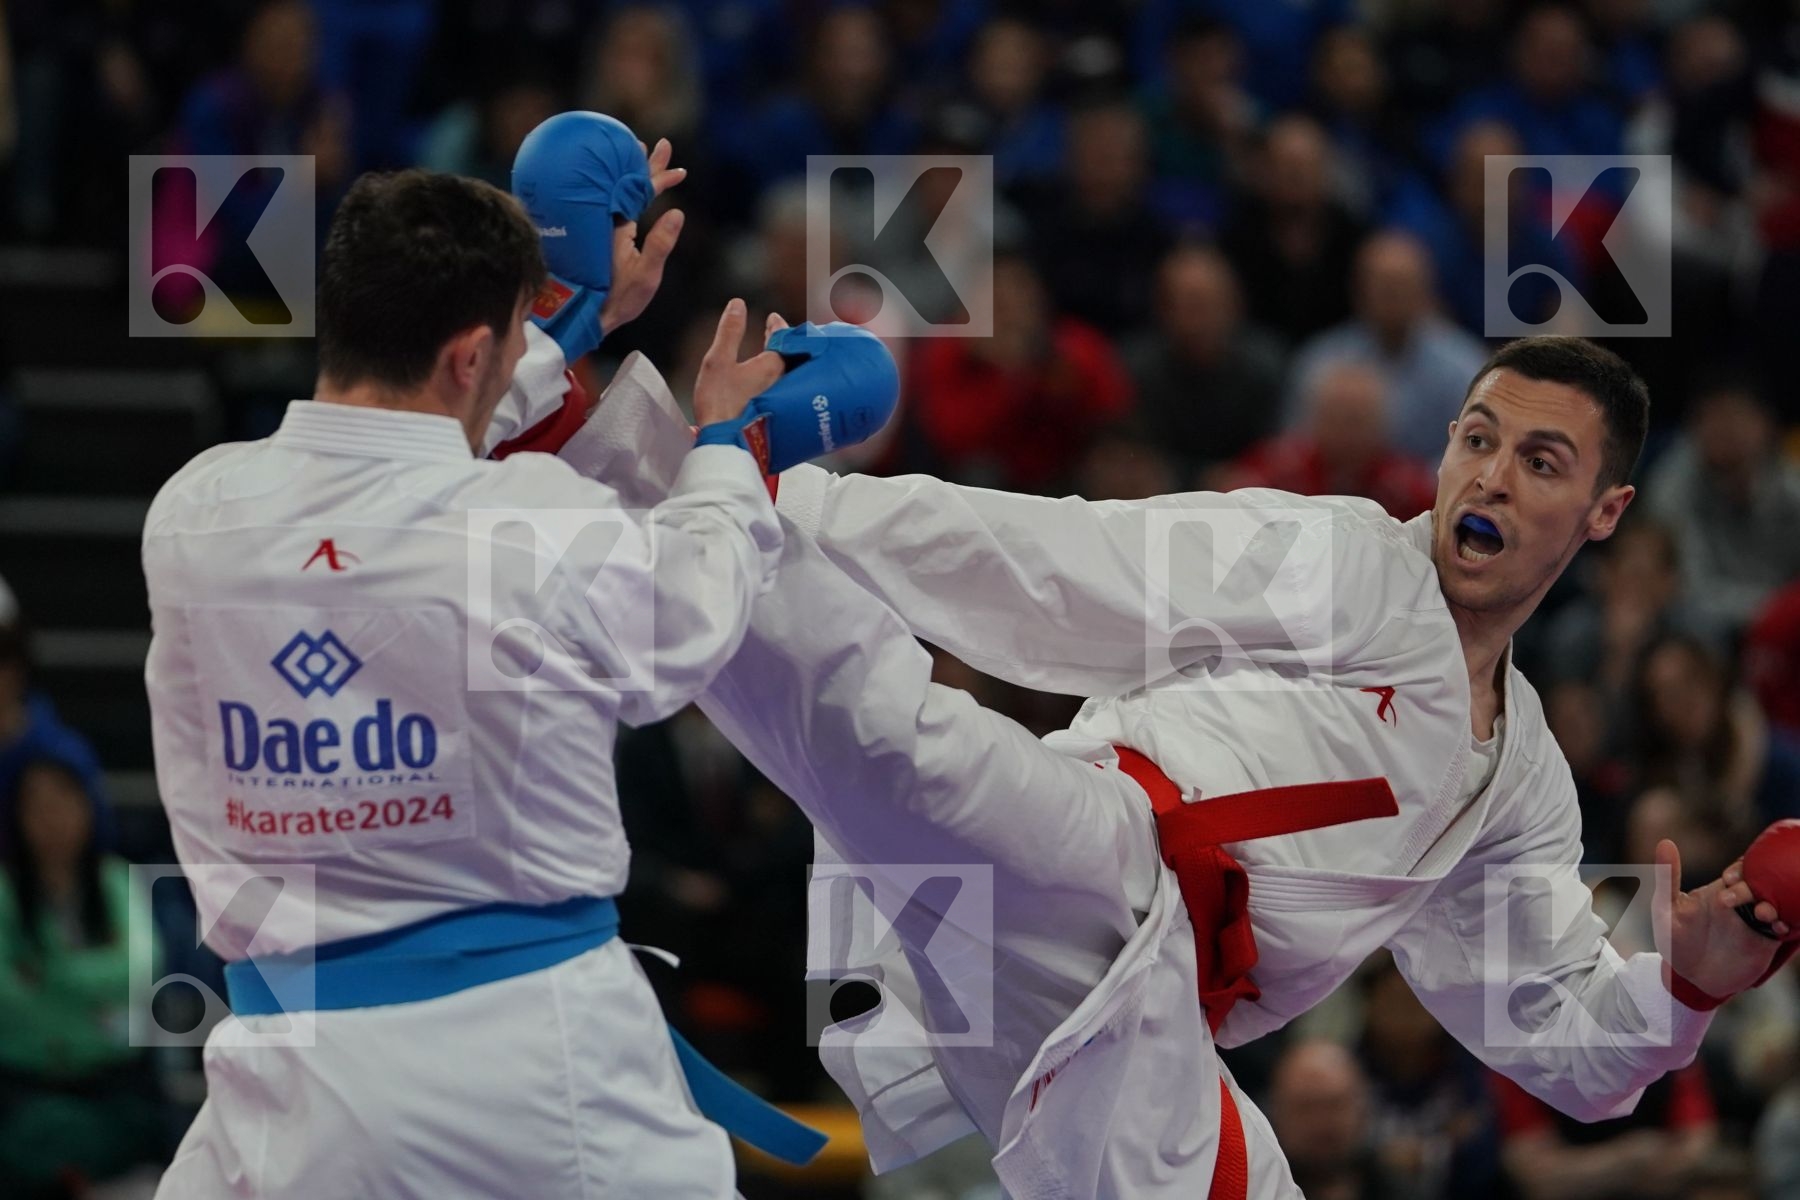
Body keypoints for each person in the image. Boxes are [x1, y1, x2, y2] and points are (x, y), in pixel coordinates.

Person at [573, 331, 1796, 1196]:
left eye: (1540, 461)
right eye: (1478, 437)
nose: (1488, 474)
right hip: (1102, 856)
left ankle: (676, 482)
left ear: (1607, 513)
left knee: (895, 756)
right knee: (901, 748)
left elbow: (1565, 1052)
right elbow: (1063, 566)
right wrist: (798, 495)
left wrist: (1684, 989)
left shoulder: (1519, 784)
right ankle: (614, 446)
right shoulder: (1343, 558)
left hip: (1145, 1030)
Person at [141, 155, 883, 1197]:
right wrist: (728, 442)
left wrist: (565, 334)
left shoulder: (194, 514)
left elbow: (401, 458)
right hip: (536, 1067)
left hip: (289, 1075)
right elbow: (695, 612)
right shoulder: (535, 523)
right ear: (470, 354)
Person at [0, 744, 163, 1195]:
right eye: (39, 806)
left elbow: (140, 969)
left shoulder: (116, 880)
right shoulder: (5, 894)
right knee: (38, 1132)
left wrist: (47, 975)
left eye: (65, 801)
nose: (54, 819)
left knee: (139, 1131)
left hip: (111, 1080)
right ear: (17, 815)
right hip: (25, 1084)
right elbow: (8, 999)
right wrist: (91, 990)